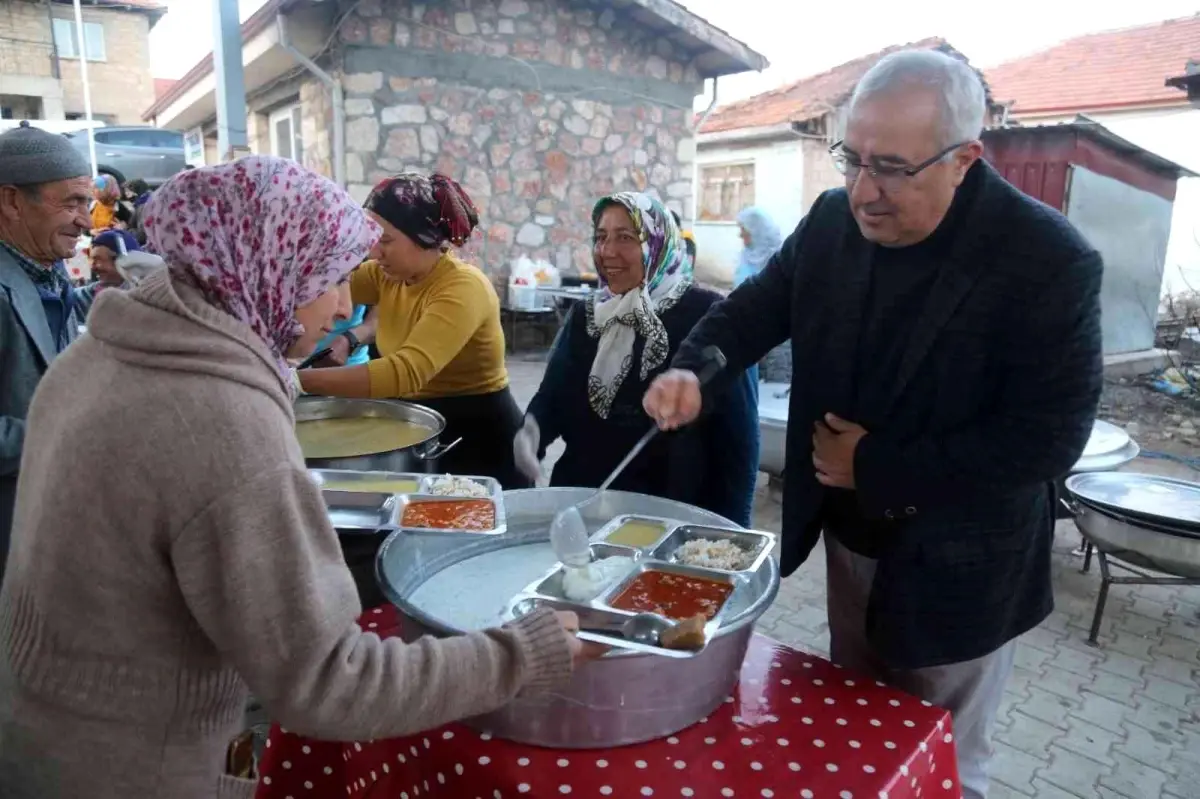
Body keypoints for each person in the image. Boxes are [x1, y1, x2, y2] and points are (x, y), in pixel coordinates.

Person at [0, 156, 591, 798]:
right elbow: (327, 683)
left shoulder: (98, 350)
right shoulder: (223, 420)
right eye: (330, 277)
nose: (342, 304)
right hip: (131, 768)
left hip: (40, 730)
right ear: (267, 270)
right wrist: (522, 653)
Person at [642, 50, 1103, 799]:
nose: (863, 192)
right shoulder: (831, 221)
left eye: (890, 168)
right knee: (856, 731)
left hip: (963, 567)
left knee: (940, 760)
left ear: (965, 159)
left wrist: (877, 465)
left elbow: (1049, 437)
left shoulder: (1048, 261)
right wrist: (696, 370)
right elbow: (755, 309)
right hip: (849, 541)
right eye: (851, 159)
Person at [514, 192, 759, 527]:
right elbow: (553, 399)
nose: (608, 251)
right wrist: (532, 432)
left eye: (626, 238)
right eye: (601, 237)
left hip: (670, 520)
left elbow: (739, 447)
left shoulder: (710, 318)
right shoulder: (587, 315)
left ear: (658, 244)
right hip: (583, 509)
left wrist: (732, 534)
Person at [298, 173, 529, 489]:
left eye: (387, 240)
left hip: (479, 435)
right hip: (419, 423)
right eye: (371, 238)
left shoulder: (463, 288)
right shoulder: (387, 276)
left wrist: (295, 381)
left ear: (426, 236)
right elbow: (327, 283)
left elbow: (404, 371)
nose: (375, 252)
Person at [0, 122, 93, 581]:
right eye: (71, 203)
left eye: (88, 204)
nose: (86, 221)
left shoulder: (51, 277)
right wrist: (70, 433)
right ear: (12, 201)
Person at [734, 206, 786, 393]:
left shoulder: (779, 260)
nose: (741, 236)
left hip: (775, 339)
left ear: (757, 231)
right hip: (747, 329)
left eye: (744, 231)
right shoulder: (746, 256)